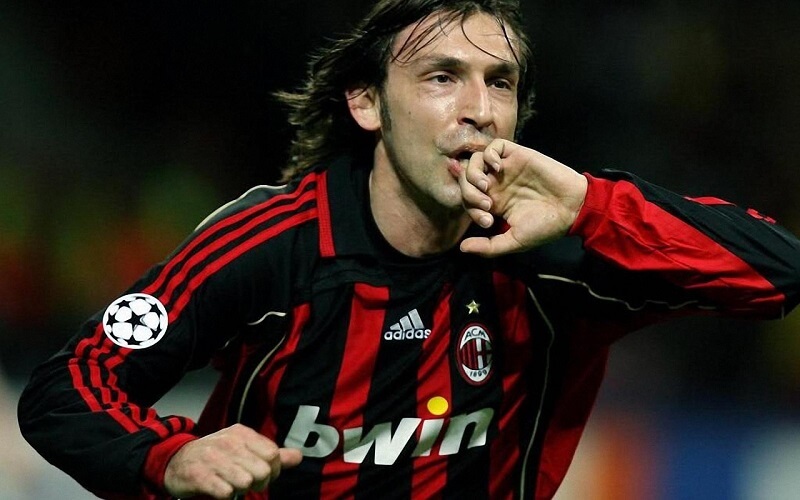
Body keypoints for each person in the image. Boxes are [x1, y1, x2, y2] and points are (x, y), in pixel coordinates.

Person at [18, 0, 800, 498]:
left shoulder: (555, 257)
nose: (478, 109)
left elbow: (779, 269)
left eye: (500, 82)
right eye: (442, 77)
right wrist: (170, 457)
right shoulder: (271, 244)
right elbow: (68, 387)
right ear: (368, 104)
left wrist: (592, 207)